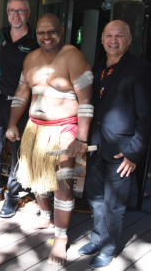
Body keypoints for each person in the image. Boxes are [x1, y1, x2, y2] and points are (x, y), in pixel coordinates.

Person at [5, 13, 93, 265]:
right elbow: (22, 93)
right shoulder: (30, 58)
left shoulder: (73, 56)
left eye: (51, 32)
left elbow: (86, 100)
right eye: (42, 32)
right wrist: (12, 122)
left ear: (61, 31)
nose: (46, 37)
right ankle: (46, 215)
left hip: (65, 128)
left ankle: (62, 238)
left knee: (62, 184)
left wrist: (82, 137)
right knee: (36, 177)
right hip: (35, 128)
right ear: (36, 34)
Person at [78, 20, 151, 269]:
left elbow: (147, 116)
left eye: (119, 36)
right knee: (95, 197)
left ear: (129, 39)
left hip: (123, 151)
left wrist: (134, 153)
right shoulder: (97, 69)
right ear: (101, 39)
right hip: (96, 147)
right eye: (109, 35)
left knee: (114, 204)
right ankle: (98, 239)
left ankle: (108, 249)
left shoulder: (141, 68)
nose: (113, 40)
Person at [0, 0, 39, 219]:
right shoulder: (2, 35)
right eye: (12, 10)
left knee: (18, 152)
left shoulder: (35, 41)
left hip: (21, 104)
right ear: (7, 13)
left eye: (20, 10)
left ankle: (13, 197)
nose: (16, 15)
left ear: (28, 13)